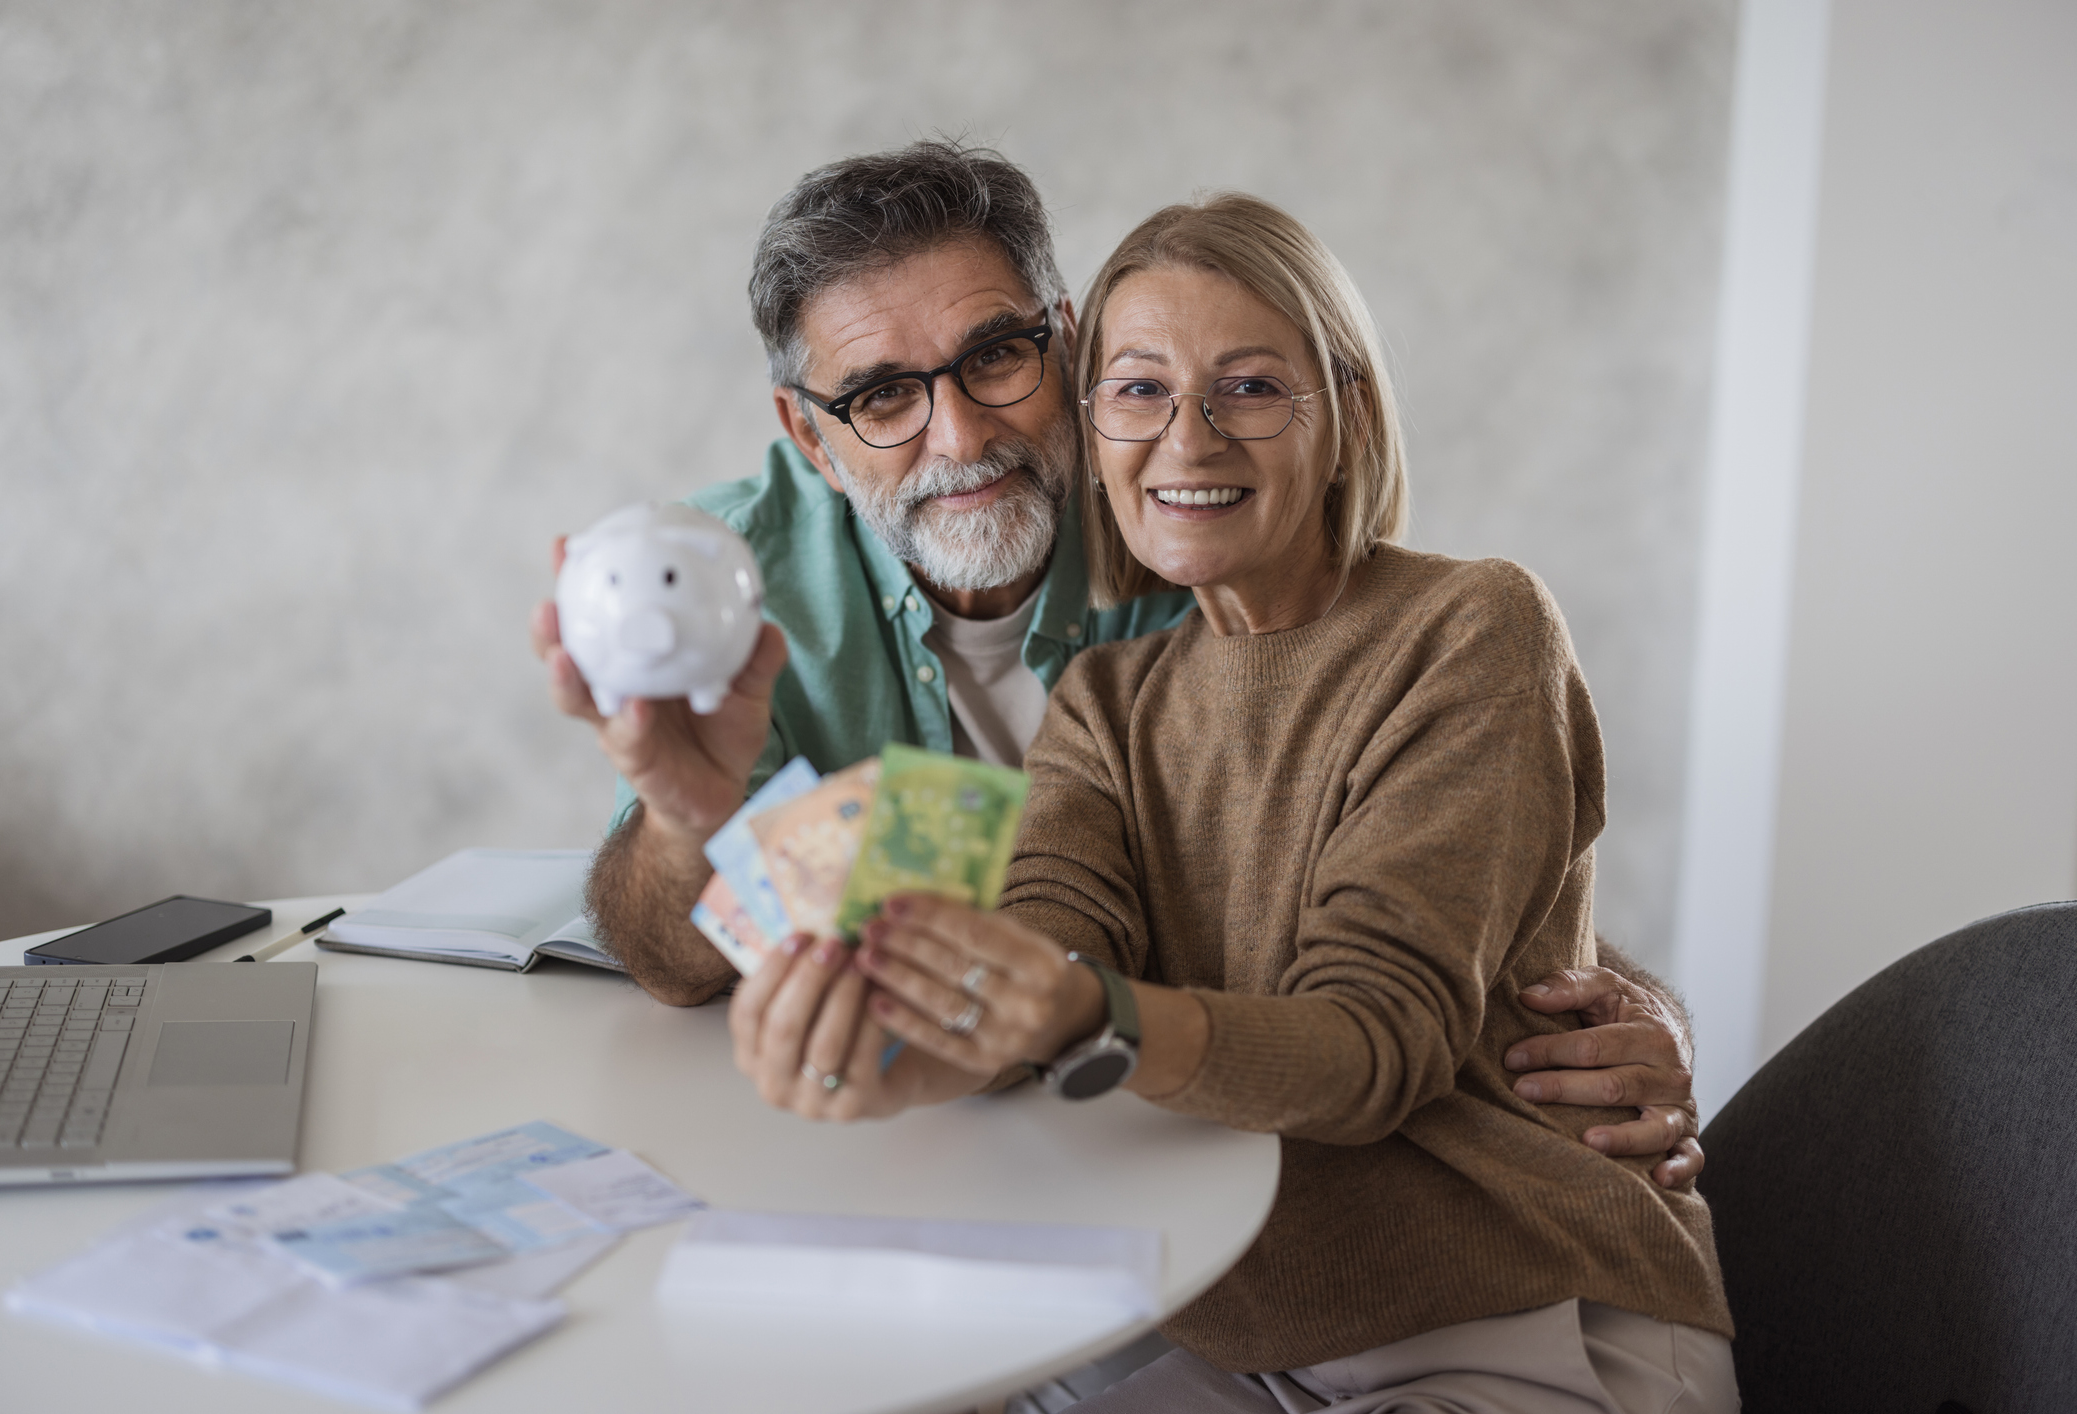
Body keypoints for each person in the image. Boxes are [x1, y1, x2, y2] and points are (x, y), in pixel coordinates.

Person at [727, 192, 1737, 1412]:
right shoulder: (1103, 701)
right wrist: (917, 1044)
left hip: (1509, 1314)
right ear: (1095, 422)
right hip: (1231, 1324)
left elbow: (1374, 1041)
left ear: (1346, 416)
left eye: (1248, 388)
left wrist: (1070, 1010)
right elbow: (1041, 943)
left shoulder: (1472, 626)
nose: (1187, 440)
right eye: (1140, 391)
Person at [529, 140, 1705, 1186]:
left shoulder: (1198, 530)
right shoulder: (721, 593)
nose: (960, 434)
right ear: (809, 435)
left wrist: (1619, 1000)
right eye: (882, 396)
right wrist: (691, 822)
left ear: (1064, 343)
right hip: (961, 1158)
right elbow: (677, 963)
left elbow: (1411, 872)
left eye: (996, 356)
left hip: (1236, 1168)